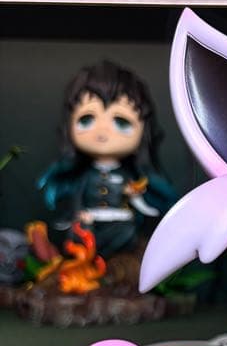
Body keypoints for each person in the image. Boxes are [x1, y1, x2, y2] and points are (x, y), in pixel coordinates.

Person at [38, 60, 176, 259]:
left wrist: (135, 196)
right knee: (78, 237)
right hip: (90, 222)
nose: (102, 132)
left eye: (121, 122)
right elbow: (77, 198)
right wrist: (77, 215)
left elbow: (141, 204)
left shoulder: (128, 176)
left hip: (119, 222)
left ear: (144, 130)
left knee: (127, 234)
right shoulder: (84, 176)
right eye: (86, 119)